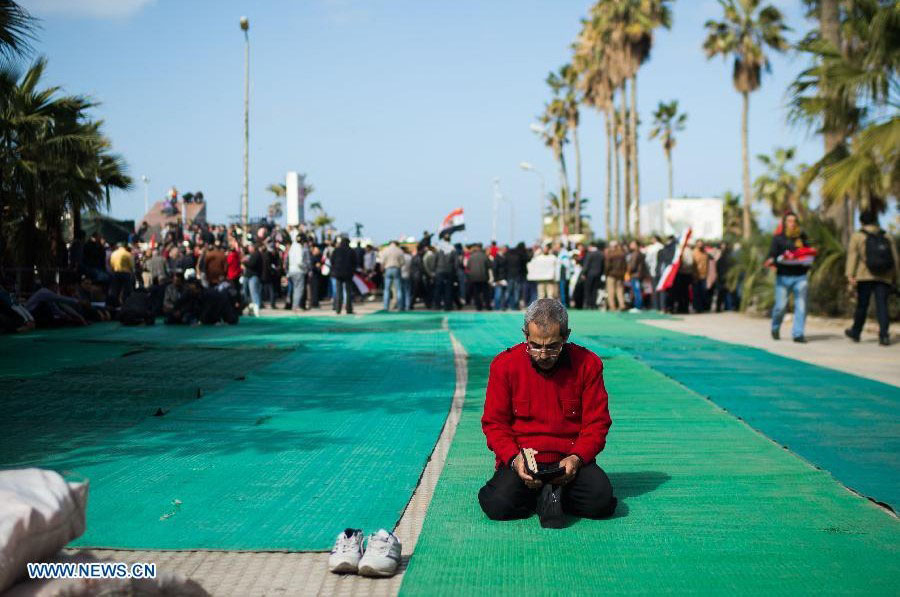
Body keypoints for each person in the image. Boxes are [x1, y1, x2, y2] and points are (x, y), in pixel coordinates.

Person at [478, 299, 616, 527]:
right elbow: (494, 424)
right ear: (525, 335)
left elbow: (597, 423)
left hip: (570, 462)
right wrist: (514, 460)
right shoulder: (504, 366)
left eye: (552, 346)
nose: (543, 354)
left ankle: (546, 494)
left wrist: (577, 458)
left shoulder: (588, 364)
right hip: (522, 461)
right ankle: (549, 495)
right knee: (496, 504)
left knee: (600, 501)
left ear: (566, 336)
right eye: (535, 345)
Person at [845, 209, 899, 346]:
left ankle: (856, 332)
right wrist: (895, 276)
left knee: (862, 305)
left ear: (861, 221)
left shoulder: (858, 236)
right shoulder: (887, 236)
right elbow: (895, 258)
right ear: (875, 220)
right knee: (882, 306)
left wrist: (850, 275)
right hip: (884, 276)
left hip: (864, 276)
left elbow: (852, 256)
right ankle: (884, 336)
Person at [765, 212, 813, 343]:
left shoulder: (802, 237)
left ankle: (798, 334)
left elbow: (809, 252)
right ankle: (775, 327)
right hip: (783, 276)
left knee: (801, 305)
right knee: (780, 307)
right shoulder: (778, 238)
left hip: (800, 276)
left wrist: (809, 260)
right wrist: (773, 260)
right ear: (785, 222)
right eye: (789, 220)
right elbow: (772, 255)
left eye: (794, 221)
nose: (792, 223)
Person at [330, 237, 357, 315]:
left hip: (338, 273)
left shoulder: (336, 250)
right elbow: (355, 262)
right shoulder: (351, 251)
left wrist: (335, 269)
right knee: (348, 292)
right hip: (348, 273)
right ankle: (349, 309)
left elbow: (332, 261)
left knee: (339, 292)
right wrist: (352, 271)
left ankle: (338, 309)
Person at [287, 232, 311, 313]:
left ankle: (294, 306)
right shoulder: (299, 248)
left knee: (294, 289)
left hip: (291, 270)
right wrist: (306, 268)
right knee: (299, 289)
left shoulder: (292, 247)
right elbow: (299, 262)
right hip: (299, 270)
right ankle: (296, 306)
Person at [380, 240, 405, 311]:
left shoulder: (385, 250)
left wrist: (382, 269)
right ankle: (400, 307)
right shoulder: (399, 250)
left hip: (387, 269)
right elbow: (403, 262)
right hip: (397, 269)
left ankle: (386, 307)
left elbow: (382, 262)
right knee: (399, 289)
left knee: (386, 289)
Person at [108, 242, 134, 307]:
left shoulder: (113, 253)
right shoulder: (128, 254)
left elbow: (111, 264)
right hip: (126, 274)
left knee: (115, 289)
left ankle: (115, 304)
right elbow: (132, 266)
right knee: (126, 290)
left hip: (116, 273)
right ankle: (125, 304)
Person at [466, 243, 491, 310]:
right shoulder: (484, 256)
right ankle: (488, 306)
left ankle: (478, 307)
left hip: (474, 277)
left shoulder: (471, 256)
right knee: (485, 293)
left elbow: (468, 267)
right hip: (483, 277)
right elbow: (489, 265)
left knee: (476, 293)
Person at [603, 241, 626, 312]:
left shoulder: (610, 254)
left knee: (611, 291)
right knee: (620, 290)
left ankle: (612, 307)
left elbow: (607, 266)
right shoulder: (622, 254)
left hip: (611, 275)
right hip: (620, 275)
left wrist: (606, 274)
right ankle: (622, 305)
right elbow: (625, 265)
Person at [580, 243, 604, 310]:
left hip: (589, 274)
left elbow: (586, 265)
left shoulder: (590, 254)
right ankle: (594, 304)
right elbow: (602, 265)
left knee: (588, 289)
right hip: (598, 274)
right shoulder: (601, 254)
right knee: (595, 289)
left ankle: (588, 304)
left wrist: (583, 274)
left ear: (591, 246)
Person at [626, 240, 648, 311]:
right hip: (638, 275)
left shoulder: (636, 254)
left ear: (636, 245)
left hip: (636, 275)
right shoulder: (639, 253)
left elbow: (633, 265)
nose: (630, 245)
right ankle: (638, 306)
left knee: (637, 291)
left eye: (632, 244)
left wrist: (628, 271)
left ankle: (638, 306)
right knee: (637, 290)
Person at [691, 240, 710, 313]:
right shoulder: (694, 253)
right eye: (698, 244)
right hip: (696, 276)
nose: (700, 245)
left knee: (703, 292)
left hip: (704, 275)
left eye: (701, 244)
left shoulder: (705, 253)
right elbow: (693, 266)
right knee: (696, 293)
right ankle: (696, 307)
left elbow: (707, 264)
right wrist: (694, 275)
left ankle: (702, 307)